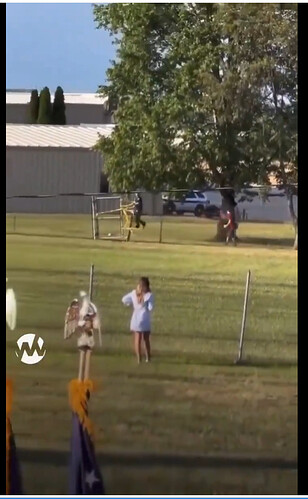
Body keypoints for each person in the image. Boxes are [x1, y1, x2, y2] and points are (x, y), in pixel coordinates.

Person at [122, 277, 154, 363]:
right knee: (146, 339)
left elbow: (124, 299)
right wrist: (146, 302)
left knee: (137, 339)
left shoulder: (134, 293)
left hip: (135, 318)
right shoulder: (149, 295)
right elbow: (150, 308)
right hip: (145, 319)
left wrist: (131, 303)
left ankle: (139, 359)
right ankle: (148, 358)